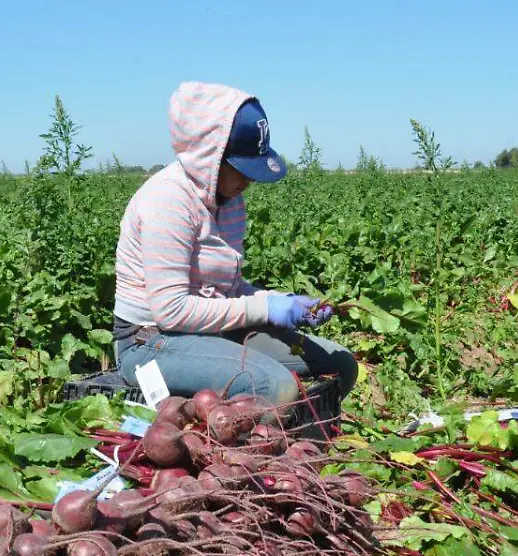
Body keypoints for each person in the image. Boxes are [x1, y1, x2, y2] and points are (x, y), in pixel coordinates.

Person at [110, 81, 358, 407]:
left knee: (339, 363)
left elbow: (227, 289)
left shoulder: (229, 200)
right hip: (150, 342)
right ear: (209, 158)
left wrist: (280, 303)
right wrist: (263, 309)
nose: (249, 180)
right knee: (274, 388)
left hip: (209, 331)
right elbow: (171, 312)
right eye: (241, 168)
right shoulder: (168, 200)